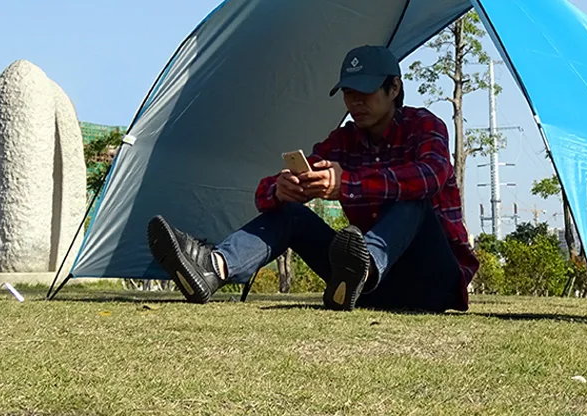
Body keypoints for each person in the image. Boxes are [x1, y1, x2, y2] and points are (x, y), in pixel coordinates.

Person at [147, 45, 478, 311]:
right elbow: (268, 191)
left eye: (365, 90)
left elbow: (430, 176)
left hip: (433, 280)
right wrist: (281, 189)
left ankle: (364, 269)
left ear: (394, 88)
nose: (355, 102)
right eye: (348, 92)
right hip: (370, 287)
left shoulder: (425, 126)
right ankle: (213, 267)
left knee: (413, 201)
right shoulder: (343, 141)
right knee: (291, 214)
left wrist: (346, 183)